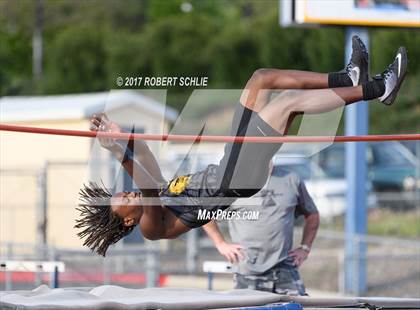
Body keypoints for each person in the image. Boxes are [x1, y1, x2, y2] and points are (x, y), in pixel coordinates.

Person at [76, 36, 407, 256]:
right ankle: (379, 87)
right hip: (235, 179)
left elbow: (146, 160)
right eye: (126, 200)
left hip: (231, 166)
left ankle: (348, 78)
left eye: (125, 192)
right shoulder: (150, 226)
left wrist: (124, 136)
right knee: (288, 103)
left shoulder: (161, 196)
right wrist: (117, 149)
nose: (130, 193)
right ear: (128, 221)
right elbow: (146, 186)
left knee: (261, 78)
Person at [202, 162, 319, 295]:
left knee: (298, 306)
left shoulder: (291, 179)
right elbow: (205, 213)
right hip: (247, 270)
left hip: (284, 268)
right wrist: (221, 244)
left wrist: (305, 248)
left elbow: (312, 214)